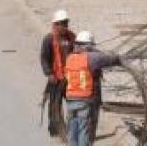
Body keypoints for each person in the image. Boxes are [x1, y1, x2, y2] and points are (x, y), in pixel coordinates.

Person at [64, 30, 121, 146]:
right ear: (89, 45)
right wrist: (117, 58)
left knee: (72, 133)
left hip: (70, 101)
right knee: (84, 133)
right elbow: (110, 59)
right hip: (85, 101)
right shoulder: (91, 58)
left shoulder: (70, 58)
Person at [40, 8, 76, 138]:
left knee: (74, 103)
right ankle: (54, 130)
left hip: (70, 78)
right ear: (56, 24)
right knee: (55, 104)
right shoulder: (48, 39)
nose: (65, 26)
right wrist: (49, 73)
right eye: (63, 23)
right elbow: (44, 58)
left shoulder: (72, 38)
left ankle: (72, 130)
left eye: (66, 23)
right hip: (56, 78)